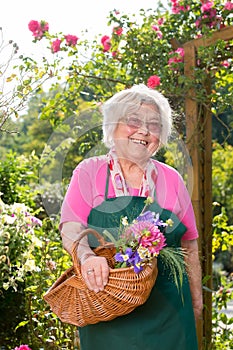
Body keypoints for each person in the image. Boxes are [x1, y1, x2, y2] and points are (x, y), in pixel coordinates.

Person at [59, 84, 203, 350]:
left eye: (154, 124)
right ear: (112, 128)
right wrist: (87, 257)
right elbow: (70, 227)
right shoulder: (90, 171)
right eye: (133, 121)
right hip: (107, 313)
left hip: (169, 316)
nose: (144, 131)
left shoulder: (171, 178)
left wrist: (196, 302)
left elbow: (189, 244)